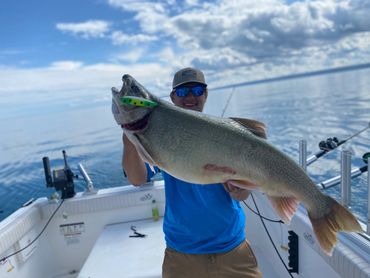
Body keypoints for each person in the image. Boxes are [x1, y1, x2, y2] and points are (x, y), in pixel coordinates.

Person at [122, 67, 263, 277]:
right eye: (182, 92)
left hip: (232, 249)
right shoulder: (161, 135)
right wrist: (130, 134)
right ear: (172, 97)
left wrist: (236, 190)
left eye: (196, 90)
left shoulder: (224, 136)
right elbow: (137, 178)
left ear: (205, 94)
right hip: (182, 255)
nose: (190, 97)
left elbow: (242, 194)